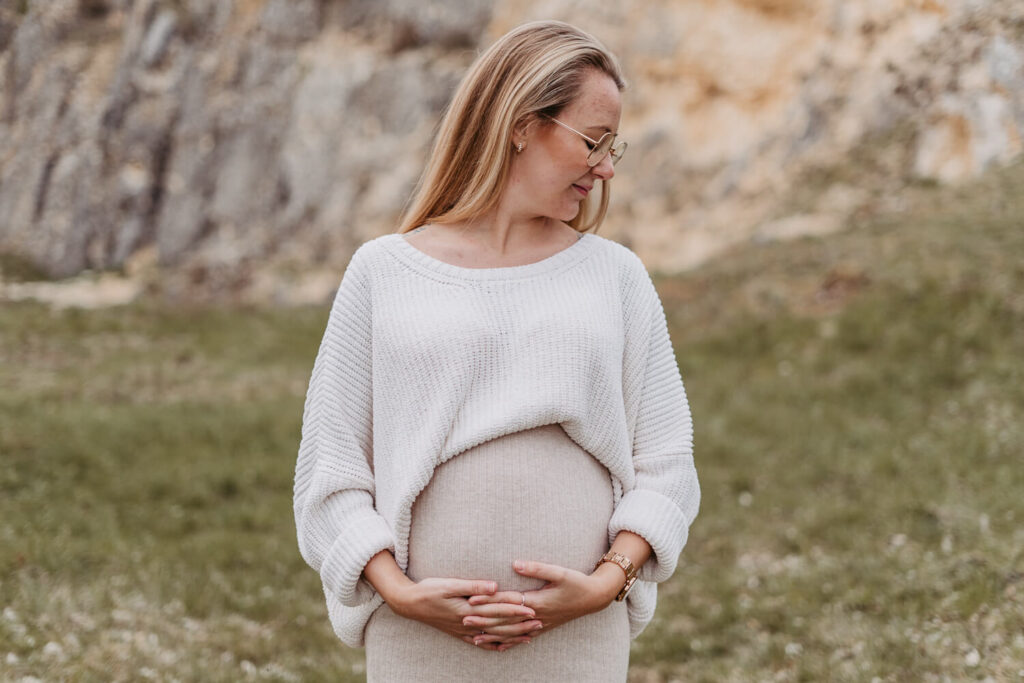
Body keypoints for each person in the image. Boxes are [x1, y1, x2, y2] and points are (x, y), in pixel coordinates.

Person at [293, 19, 700, 682]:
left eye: (612, 147)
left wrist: (604, 584)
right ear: (521, 123)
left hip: (578, 639)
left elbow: (667, 465)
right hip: (416, 638)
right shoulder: (383, 272)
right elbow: (332, 469)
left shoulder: (615, 276)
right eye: (593, 141)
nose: (605, 168)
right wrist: (398, 591)